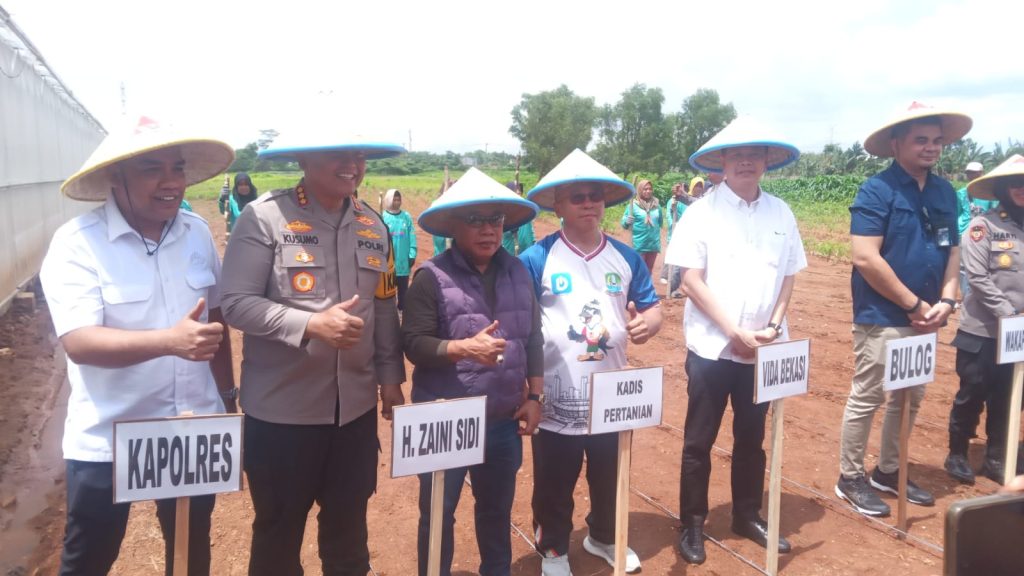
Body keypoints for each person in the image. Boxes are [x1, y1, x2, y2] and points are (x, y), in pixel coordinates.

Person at [40, 118, 237, 576]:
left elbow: (216, 321)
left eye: (178, 168)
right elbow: (80, 341)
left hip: (191, 429)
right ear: (116, 176)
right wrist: (169, 341)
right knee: (88, 557)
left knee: (190, 554)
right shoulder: (77, 245)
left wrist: (227, 400)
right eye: (153, 169)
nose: (171, 182)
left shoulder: (196, 233)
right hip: (108, 438)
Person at [220, 133, 407, 575]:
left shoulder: (373, 225)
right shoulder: (263, 218)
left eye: (359, 155)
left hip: (354, 411)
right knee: (278, 534)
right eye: (338, 153)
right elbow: (236, 302)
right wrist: (309, 325)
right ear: (304, 157)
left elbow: (383, 307)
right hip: (284, 414)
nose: (352, 164)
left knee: (349, 531)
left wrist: (390, 377)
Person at [665, 116, 806, 565]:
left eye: (756, 154)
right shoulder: (700, 212)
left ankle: (747, 514)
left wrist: (774, 324)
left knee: (753, 437)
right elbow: (690, 280)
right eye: (736, 154)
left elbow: (788, 275)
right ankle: (692, 523)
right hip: (712, 347)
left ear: (767, 160)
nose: (746, 160)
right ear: (721, 161)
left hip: (763, 348)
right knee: (698, 441)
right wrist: (734, 331)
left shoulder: (781, 212)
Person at [522, 148, 662, 576]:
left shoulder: (625, 257)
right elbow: (520, 322)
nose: (588, 204)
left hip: (613, 394)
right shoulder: (537, 258)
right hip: (556, 396)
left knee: (609, 473)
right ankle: (553, 548)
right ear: (558, 205)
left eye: (595, 196)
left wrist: (650, 324)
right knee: (555, 480)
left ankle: (603, 535)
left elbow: (652, 306)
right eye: (578, 197)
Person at [403, 167, 544, 576]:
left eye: (495, 220)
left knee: (496, 512)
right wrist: (462, 349)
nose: (488, 230)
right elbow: (412, 343)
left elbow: (533, 338)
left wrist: (534, 397)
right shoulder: (431, 277)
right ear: (452, 227)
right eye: (475, 220)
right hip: (445, 418)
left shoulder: (519, 271)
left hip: (502, 418)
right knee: (438, 514)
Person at [835, 102, 972, 517]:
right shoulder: (876, 190)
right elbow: (866, 258)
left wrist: (947, 300)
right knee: (870, 393)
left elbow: (951, 249)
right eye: (921, 141)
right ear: (897, 144)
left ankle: (889, 469)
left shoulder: (944, 191)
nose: (931, 148)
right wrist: (913, 304)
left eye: (937, 141)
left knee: (911, 393)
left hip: (929, 314)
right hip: (884, 315)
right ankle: (850, 476)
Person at [944, 154, 1024, 485]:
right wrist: (1011, 316)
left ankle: (995, 457)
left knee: (1009, 394)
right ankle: (957, 453)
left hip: (1018, 333)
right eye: (1015, 184)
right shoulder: (984, 227)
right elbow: (976, 277)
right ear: (1003, 189)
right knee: (972, 392)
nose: (1021, 189)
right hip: (984, 330)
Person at [956, 161, 997, 297]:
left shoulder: (989, 194)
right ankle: (965, 296)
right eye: (969, 173)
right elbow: (957, 212)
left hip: (984, 233)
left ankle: (981, 295)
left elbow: (994, 212)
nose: (972, 176)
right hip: (964, 231)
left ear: (981, 174)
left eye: (975, 173)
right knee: (962, 266)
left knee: (985, 264)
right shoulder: (961, 193)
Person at [382, 188, 417, 311]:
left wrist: (412, 253)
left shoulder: (406, 217)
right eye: (394, 199)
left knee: (404, 291)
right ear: (388, 200)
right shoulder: (383, 217)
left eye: (399, 199)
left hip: (403, 260)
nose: (397, 201)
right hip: (389, 261)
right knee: (390, 291)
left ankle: (403, 312)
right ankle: (391, 315)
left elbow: (412, 235)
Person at [620, 179, 663, 274]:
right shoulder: (633, 206)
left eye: (650, 189)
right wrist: (627, 221)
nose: (648, 191)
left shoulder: (656, 206)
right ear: (639, 190)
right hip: (638, 245)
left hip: (653, 245)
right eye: (645, 189)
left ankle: (647, 288)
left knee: (648, 271)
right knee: (638, 272)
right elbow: (623, 224)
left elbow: (659, 223)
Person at [501, 181, 536, 255]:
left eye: (520, 192)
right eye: (515, 192)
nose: (518, 194)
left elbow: (530, 232)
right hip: (511, 256)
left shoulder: (527, 210)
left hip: (528, 254)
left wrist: (533, 243)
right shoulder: (503, 213)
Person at [219, 172, 258, 238]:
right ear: (236, 186)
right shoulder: (231, 200)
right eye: (240, 185)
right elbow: (223, 211)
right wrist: (222, 200)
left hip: (254, 236)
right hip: (237, 237)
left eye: (246, 184)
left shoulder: (256, 199)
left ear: (250, 185)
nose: (244, 187)